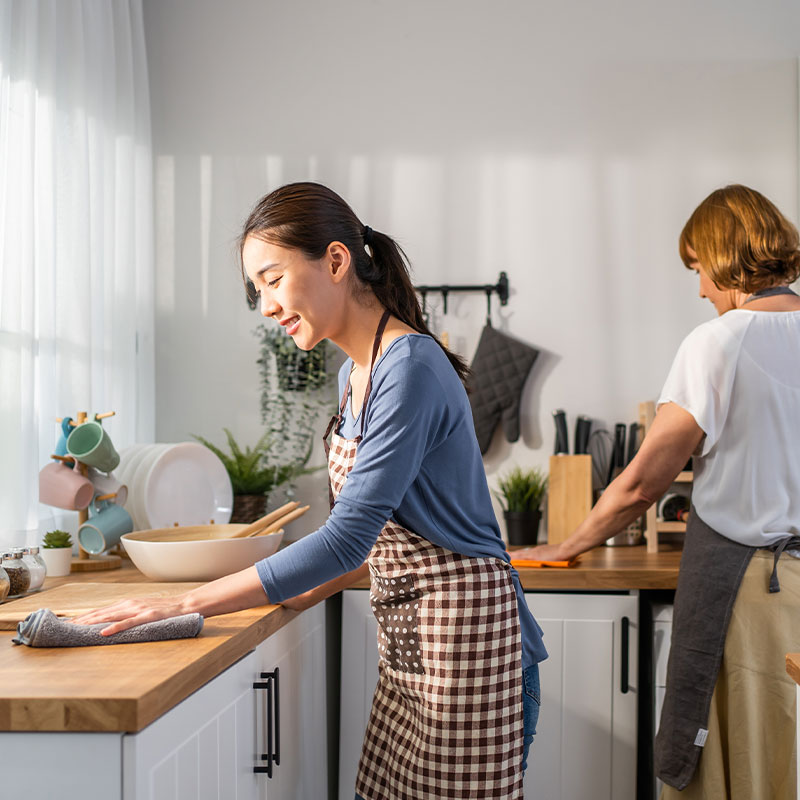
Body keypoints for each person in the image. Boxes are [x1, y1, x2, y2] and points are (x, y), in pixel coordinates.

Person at [72, 182, 547, 799]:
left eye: (271, 279)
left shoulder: (408, 368)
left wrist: (182, 604)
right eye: (256, 290)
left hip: (471, 659)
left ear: (336, 261)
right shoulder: (356, 374)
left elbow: (346, 541)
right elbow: (368, 540)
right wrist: (272, 597)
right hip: (420, 655)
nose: (265, 305)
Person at [516, 183, 800, 799]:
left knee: (736, 758)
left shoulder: (720, 343)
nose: (700, 289)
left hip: (747, 593)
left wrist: (565, 545)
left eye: (698, 269)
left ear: (725, 257)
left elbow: (644, 482)